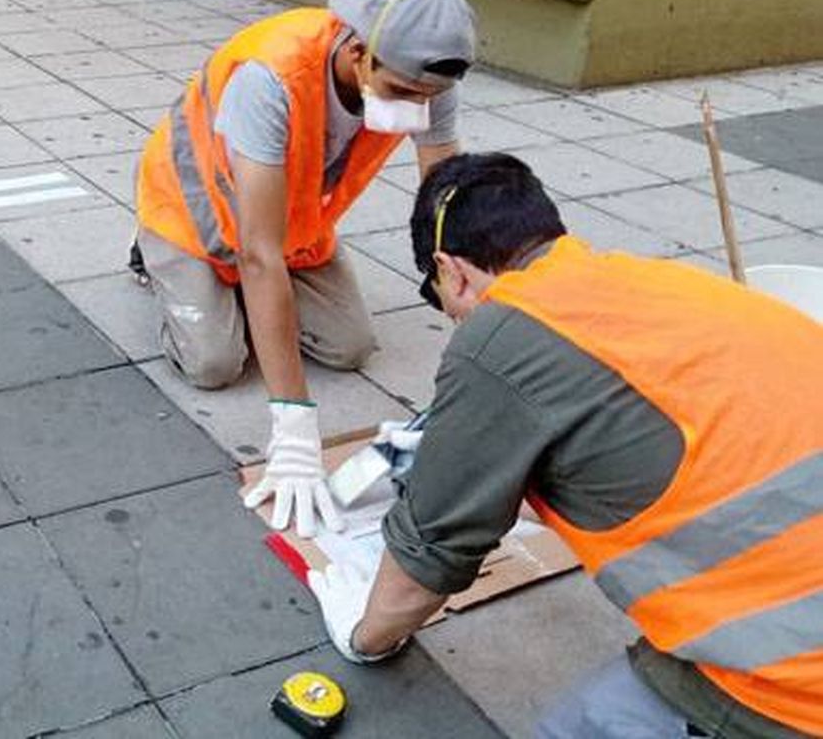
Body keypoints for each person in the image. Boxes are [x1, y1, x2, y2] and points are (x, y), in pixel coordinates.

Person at [311, 152, 823, 739]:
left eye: (443, 304)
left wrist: (363, 634)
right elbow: (648, 448)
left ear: (449, 271)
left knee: (581, 726)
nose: (454, 319)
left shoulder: (502, 330)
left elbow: (419, 576)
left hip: (798, 680)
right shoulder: (653, 281)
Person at [133, 0, 477, 537]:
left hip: (293, 221)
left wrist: (466, 293)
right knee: (215, 364)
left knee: (351, 347)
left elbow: (445, 197)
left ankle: (248, 306)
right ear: (359, 53)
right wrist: (293, 425)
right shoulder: (269, 79)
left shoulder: (428, 77)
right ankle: (156, 258)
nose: (418, 110)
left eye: (428, 99)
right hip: (192, 213)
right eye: (403, 93)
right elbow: (258, 253)